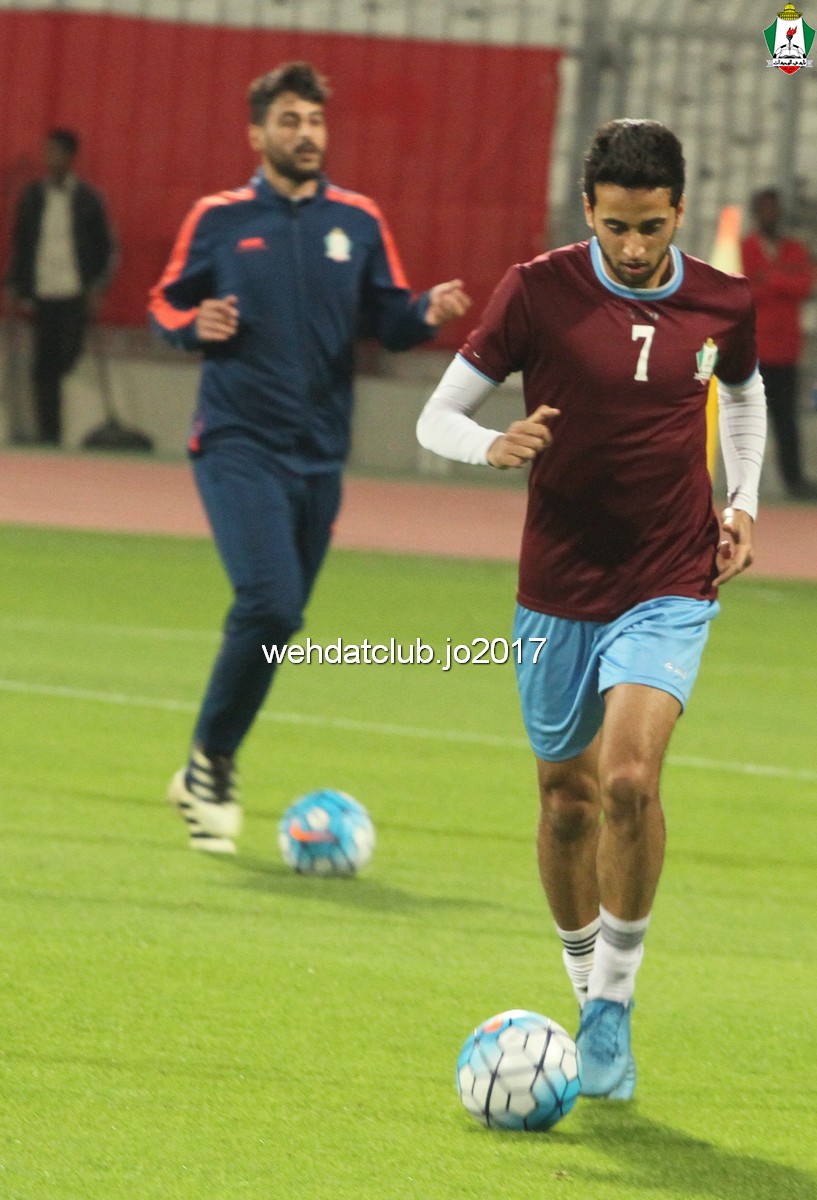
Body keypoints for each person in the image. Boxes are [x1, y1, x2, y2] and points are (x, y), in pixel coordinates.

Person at [416, 119, 766, 1100]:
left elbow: (742, 394)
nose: (634, 246)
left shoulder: (721, 300)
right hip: (559, 583)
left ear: (678, 211)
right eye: (615, 226)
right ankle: (582, 988)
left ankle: (612, 1004)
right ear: (587, 211)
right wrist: (488, 445)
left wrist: (740, 499)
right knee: (564, 801)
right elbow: (437, 415)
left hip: (670, 574)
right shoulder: (536, 291)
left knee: (626, 781)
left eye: (651, 226)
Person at [149, 61, 470, 854]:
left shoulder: (357, 220)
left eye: (315, 121)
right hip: (236, 441)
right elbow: (164, 302)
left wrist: (423, 312)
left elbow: (387, 318)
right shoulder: (219, 217)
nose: (305, 134)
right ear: (256, 134)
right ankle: (211, 765)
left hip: (320, 456)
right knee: (269, 604)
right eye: (289, 121)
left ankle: (205, 759)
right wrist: (193, 327)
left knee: (279, 620)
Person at [4, 128, 116, 445]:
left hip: (74, 292)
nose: (49, 159)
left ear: (70, 157)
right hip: (43, 291)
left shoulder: (87, 199)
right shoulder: (33, 197)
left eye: (56, 152)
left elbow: (105, 247)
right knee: (43, 368)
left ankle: (50, 421)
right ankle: (48, 434)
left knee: (67, 354)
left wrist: (97, 285)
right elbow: (21, 243)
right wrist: (14, 283)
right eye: (47, 152)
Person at [741, 187, 816, 500]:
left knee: (787, 421)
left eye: (774, 208)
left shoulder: (794, 248)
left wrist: (768, 278)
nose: (770, 214)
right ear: (756, 212)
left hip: (786, 349)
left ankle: (794, 480)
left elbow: (806, 284)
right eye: (765, 208)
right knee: (747, 421)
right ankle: (743, 483)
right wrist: (783, 279)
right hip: (754, 349)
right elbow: (744, 288)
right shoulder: (746, 247)